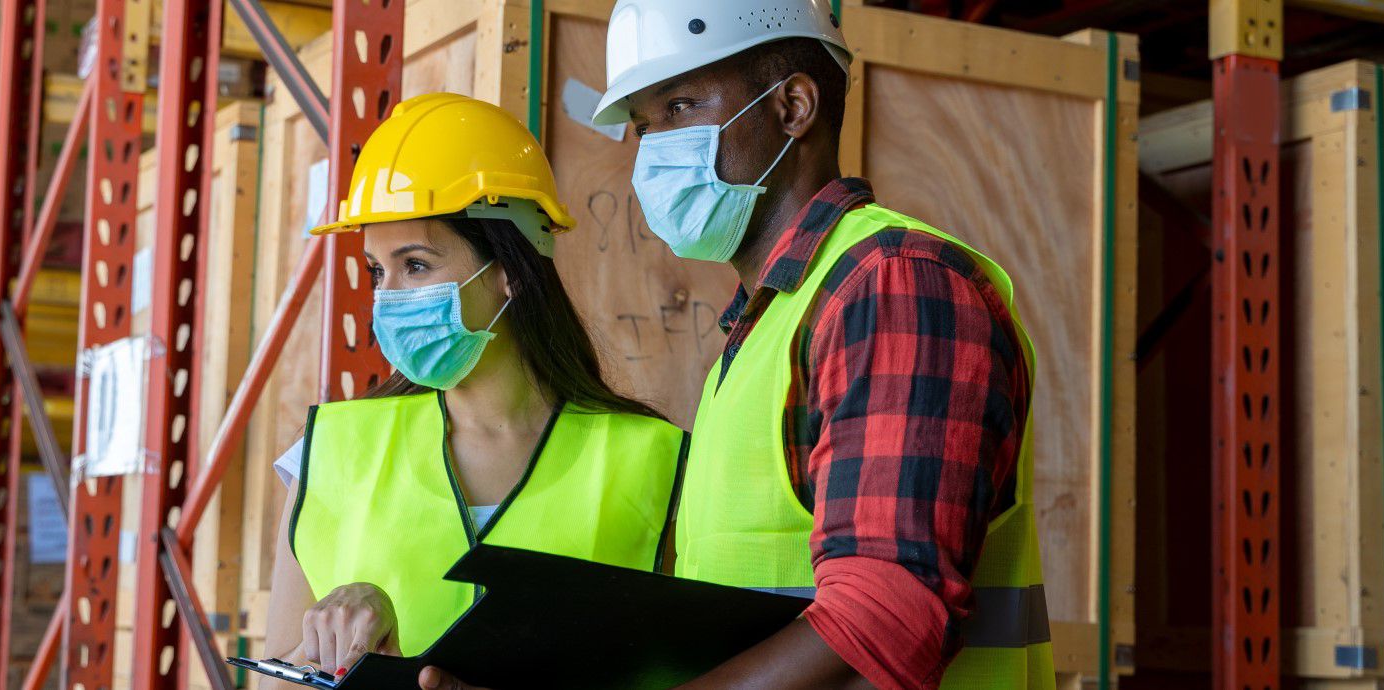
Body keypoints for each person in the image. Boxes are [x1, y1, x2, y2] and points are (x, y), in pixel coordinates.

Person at [422, 1, 1048, 688]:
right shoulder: (761, 330)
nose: (654, 148)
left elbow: (887, 619)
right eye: (642, 126)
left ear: (794, 107)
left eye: (682, 106)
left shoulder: (892, 286)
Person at [258, 93, 689, 686]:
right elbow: (273, 677)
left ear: (509, 268)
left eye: (416, 265)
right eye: (378, 270)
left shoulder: (655, 459)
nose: (389, 297)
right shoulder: (329, 451)